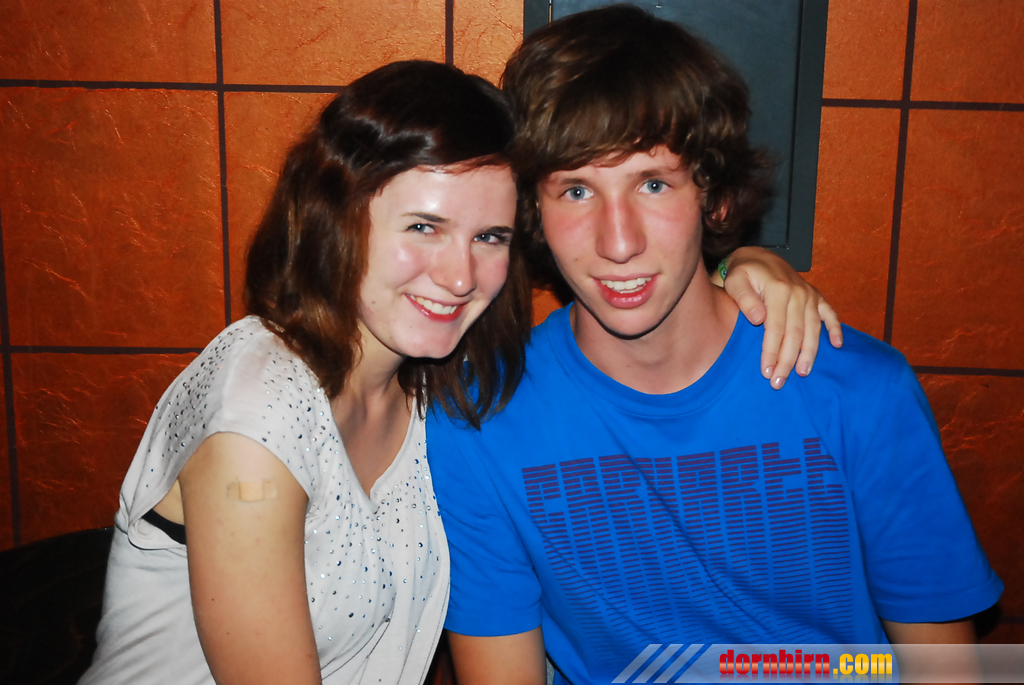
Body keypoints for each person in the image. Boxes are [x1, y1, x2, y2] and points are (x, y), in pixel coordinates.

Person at [81, 59, 836, 685]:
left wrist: (740, 263)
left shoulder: (433, 382)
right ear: (334, 215)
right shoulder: (256, 421)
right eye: (424, 226)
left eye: (490, 236)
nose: (459, 275)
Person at [427, 7, 1004, 685]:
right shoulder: (480, 420)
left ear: (714, 197)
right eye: (577, 190)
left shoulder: (857, 391)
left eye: (653, 184)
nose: (619, 242)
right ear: (532, 212)